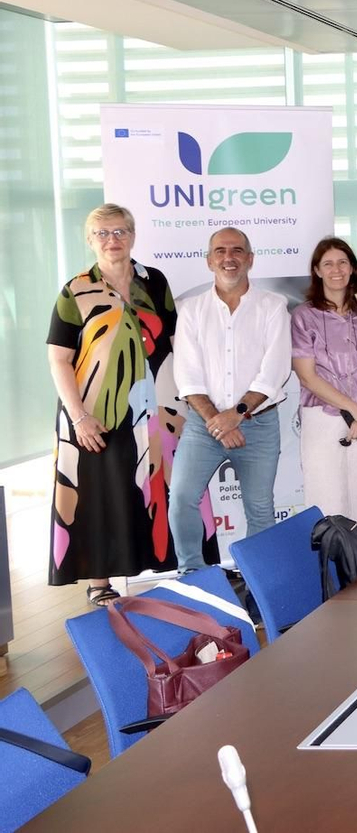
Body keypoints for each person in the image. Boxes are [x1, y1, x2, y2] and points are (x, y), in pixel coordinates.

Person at [46, 205, 187, 604]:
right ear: (90, 240)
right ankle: (99, 583)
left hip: (154, 407)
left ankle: (164, 564)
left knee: (153, 485)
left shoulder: (154, 281)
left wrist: (186, 401)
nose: (113, 240)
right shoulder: (76, 290)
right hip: (95, 412)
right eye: (103, 233)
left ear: (133, 235)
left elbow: (176, 344)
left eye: (121, 231)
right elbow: (59, 358)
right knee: (98, 492)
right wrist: (79, 418)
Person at [170, 228, 291, 573]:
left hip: (257, 424)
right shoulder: (191, 310)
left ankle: (260, 582)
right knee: (180, 499)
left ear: (250, 259)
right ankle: (192, 575)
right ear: (209, 260)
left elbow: (275, 372)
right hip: (203, 425)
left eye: (237, 250)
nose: (229, 257)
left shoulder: (273, 307)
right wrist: (219, 422)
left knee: (260, 508)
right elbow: (188, 377)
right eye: (220, 251)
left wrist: (235, 415)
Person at [290, 237, 357, 542]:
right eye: (328, 263)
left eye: (343, 262)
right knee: (328, 500)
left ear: (352, 269)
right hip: (324, 417)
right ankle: (334, 578)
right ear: (317, 270)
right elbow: (307, 376)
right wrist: (355, 410)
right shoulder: (303, 316)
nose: (336, 269)